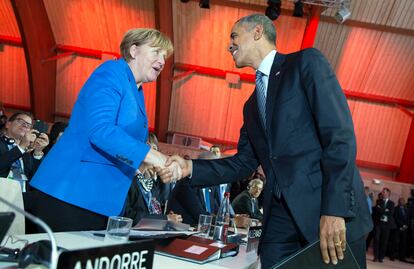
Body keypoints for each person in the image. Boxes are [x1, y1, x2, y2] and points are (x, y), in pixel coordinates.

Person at [159, 14, 372, 268]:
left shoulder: (305, 63)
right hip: (279, 219)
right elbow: (243, 163)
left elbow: (339, 136)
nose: (229, 45)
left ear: (257, 32)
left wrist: (334, 210)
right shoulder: (251, 106)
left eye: (234, 36)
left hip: (324, 210)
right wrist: (189, 167)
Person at [28, 28, 182, 232]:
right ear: (134, 50)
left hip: (100, 200)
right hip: (70, 192)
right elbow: (101, 130)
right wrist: (157, 157)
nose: (162, 61)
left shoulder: (136, 90)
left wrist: (157, 163)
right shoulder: (111, 72)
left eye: (165, 56)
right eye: (156, 52)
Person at [0, 112, 49, 192]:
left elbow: (35, 179)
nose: (25, 126)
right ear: (8, 124)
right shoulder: (21, 149)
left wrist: (37, 152)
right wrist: (21, 147)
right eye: (20, 121)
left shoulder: (25, 153)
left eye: (29, 125)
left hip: (22, 198)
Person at [373, 188, 396, 262]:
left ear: (388, 194)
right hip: (378, 224)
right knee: (376, 239)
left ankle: (381, 257)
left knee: (384, 241)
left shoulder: (392, 203)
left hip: (387, 225)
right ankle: (376, 256)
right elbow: (377, 210)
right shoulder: (378, 201)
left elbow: (391, 213)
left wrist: (381, 210)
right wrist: (385, 210)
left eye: (384, 192)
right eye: (382, 192)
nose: (382, 193)